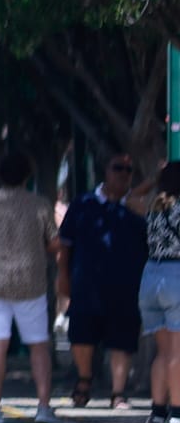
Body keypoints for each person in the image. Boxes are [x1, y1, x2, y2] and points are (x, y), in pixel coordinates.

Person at [0, 152, 61, 423]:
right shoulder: (39, 205)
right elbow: (54, 243)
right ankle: (43, 405)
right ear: (27, 175)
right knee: (39, 345)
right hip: (32, 281)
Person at [58, 154, 149, 410]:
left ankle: (118, 393)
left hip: (126, 288)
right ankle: (84, 380)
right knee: (82, 336)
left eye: (128, 170)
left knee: (123, 341)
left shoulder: (137, 208)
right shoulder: (83, 204)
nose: (123, 173)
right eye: (117, 168)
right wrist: (63, 278)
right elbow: (65, 246)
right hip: (86, 285)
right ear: (105, 171)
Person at [133, 162, 180, 423]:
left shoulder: (153, 207)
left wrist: (153, 178)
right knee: (177, 352)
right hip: (176, 275)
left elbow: (129, 198)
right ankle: (177, 412)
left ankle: (158, 410)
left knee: (163, 352)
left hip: (150, 275)